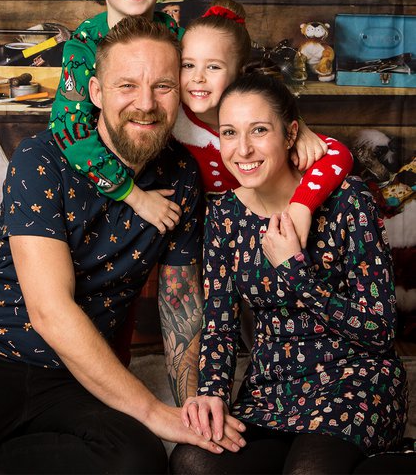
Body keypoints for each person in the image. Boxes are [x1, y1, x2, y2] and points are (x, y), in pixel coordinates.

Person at [0, 18, 249, 475]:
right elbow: (50, 310)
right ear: (95, 92)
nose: (146, 104)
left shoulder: (182, 176)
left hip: (76, 374)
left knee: (138, 460)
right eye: (127, 85)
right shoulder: (41, 158)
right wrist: (153, 411)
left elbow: (180, 307)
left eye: (163, 86)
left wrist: (192, 409)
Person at [170, 71, 408, 475]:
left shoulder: (348, 200)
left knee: (308, 470)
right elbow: (219, 324)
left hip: (355, 382)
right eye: (229, 133)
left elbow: (381, 330)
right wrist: (212, 393)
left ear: (291, 133)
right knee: (192, 462)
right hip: (271, 391)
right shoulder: (224, 215)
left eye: (259, 130)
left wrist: (296, 273)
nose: (243, 149)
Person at [173, 0, 354, 246]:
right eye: (188, 65)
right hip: (200, 242)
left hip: (262, 233)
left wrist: (302, 205)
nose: (198, 77)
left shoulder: (264, 120)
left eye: (213, 67)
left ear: (239, 74)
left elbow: (339, 154)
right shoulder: (171, 118)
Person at [49, 0, 184, 235]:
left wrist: (292, 129)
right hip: (99, 179)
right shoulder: (83, 46)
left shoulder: (176, 36)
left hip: (162, 161)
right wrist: (135, 196)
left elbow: (226, 86)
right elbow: (69, 128)